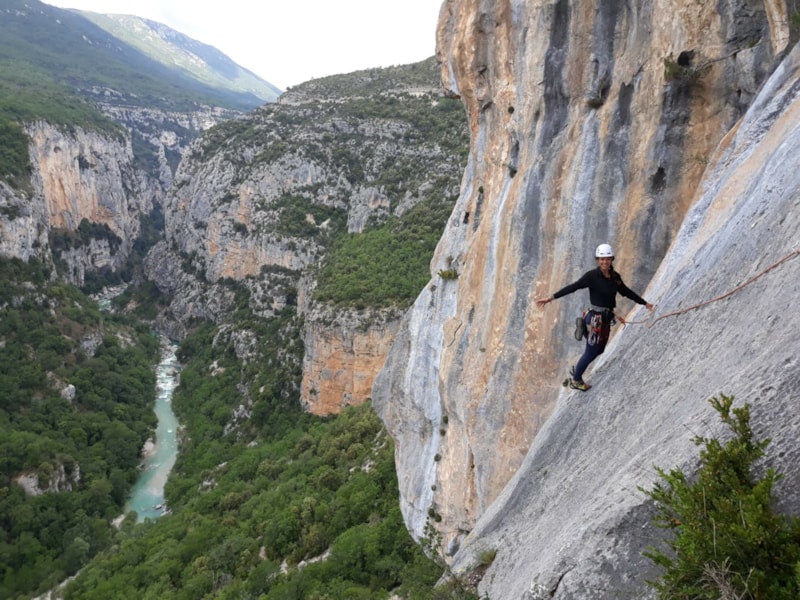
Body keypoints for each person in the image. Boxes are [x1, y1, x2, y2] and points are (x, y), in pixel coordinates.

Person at [536, 243, 653, 391]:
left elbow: (626, 292)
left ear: (612, 259)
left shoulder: (615, 277)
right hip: (596, 318)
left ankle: (585, 333)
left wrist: (644, 303)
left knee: (599, 350)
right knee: (591, 351)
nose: (605, 262)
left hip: (606, 317)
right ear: (597, 260)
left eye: (607, 259)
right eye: (602, 259)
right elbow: (573, 287)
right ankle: (576, 380)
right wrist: (551, 298)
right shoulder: (591, 276)